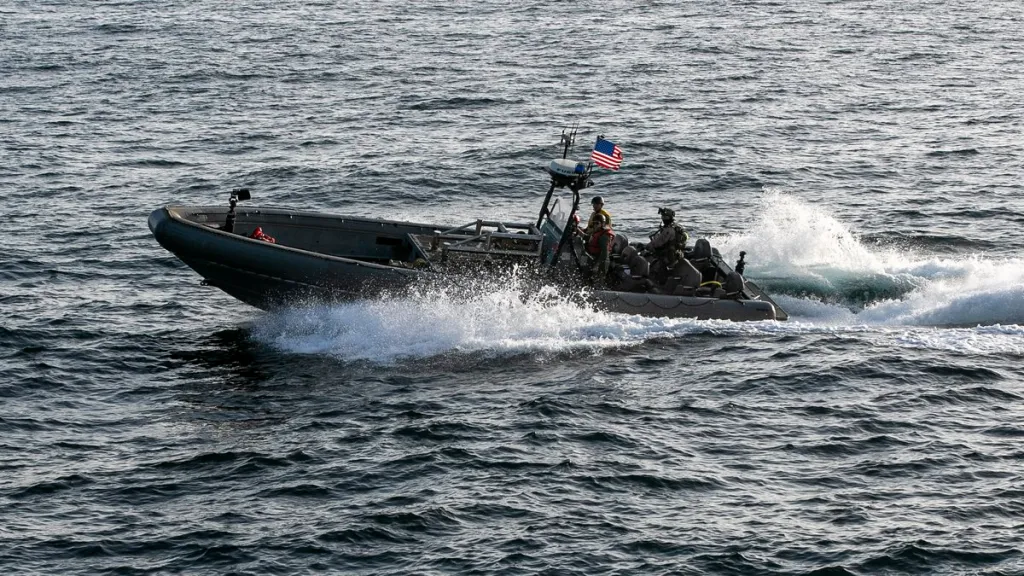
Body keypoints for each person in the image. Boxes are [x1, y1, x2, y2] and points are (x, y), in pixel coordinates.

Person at [645, 208, 688, 284]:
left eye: (664, 217)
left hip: (668, 257)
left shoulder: (668, 230)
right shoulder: (677, 227)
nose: (663, 218)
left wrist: (646, 247)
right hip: (677, 255)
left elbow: (657, 243)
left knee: (650, 262)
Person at [585, 213, 614, 287]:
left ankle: (600, 291)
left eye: (597, 223)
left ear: (603, 224)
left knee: (598, 280)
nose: (595, 225)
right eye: (594, 223)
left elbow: (604, 253)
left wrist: (597, 265)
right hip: (595, 258)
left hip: (602, 261)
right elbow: (589, 239)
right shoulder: (597, 232)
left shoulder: (604, 236)